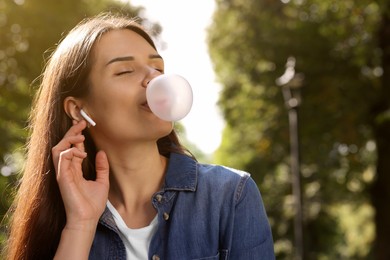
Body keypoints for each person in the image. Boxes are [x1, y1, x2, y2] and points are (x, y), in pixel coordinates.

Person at [4, 12, 275, 260]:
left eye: (158, 68)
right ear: (78, 109)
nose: (153, 79)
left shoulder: (231, 195)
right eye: (125, 71)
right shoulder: (63, 216)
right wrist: (81, 224)